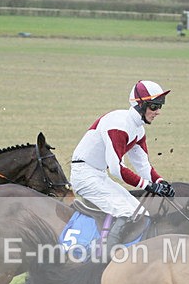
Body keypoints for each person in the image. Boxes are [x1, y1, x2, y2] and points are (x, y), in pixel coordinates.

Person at [70, 80, 175, 251]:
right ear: (141, 105)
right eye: (154, 106)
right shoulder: (119, 126)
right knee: (127, 212)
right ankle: (104, 259)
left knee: (140, 213)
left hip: (98, 174)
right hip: (84, 175)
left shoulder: (138, 129)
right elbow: (116, 169)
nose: (158, 112)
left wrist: (161, 182)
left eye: (160, 106)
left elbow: (143, 165)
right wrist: (149, 186)